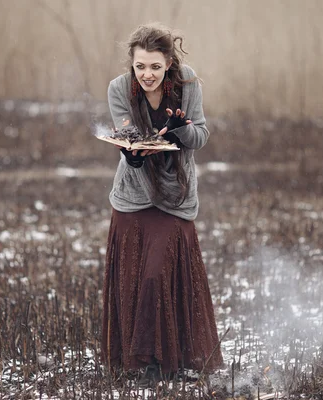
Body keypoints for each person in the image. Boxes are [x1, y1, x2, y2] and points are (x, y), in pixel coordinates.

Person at [101, 23, 224, 383]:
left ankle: (171, 356)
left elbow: (200, 136)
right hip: (132, 197)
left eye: (155, 66)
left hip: (175, 196)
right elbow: (128, 136)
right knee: (134, 280)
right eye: (140, 67)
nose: (147, 75)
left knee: (156, 275)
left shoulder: (187, 84)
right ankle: (142, 365)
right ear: (132, 65)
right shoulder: (119, 88)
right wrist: (133, 156)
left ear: (168, 63)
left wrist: (181, 128)